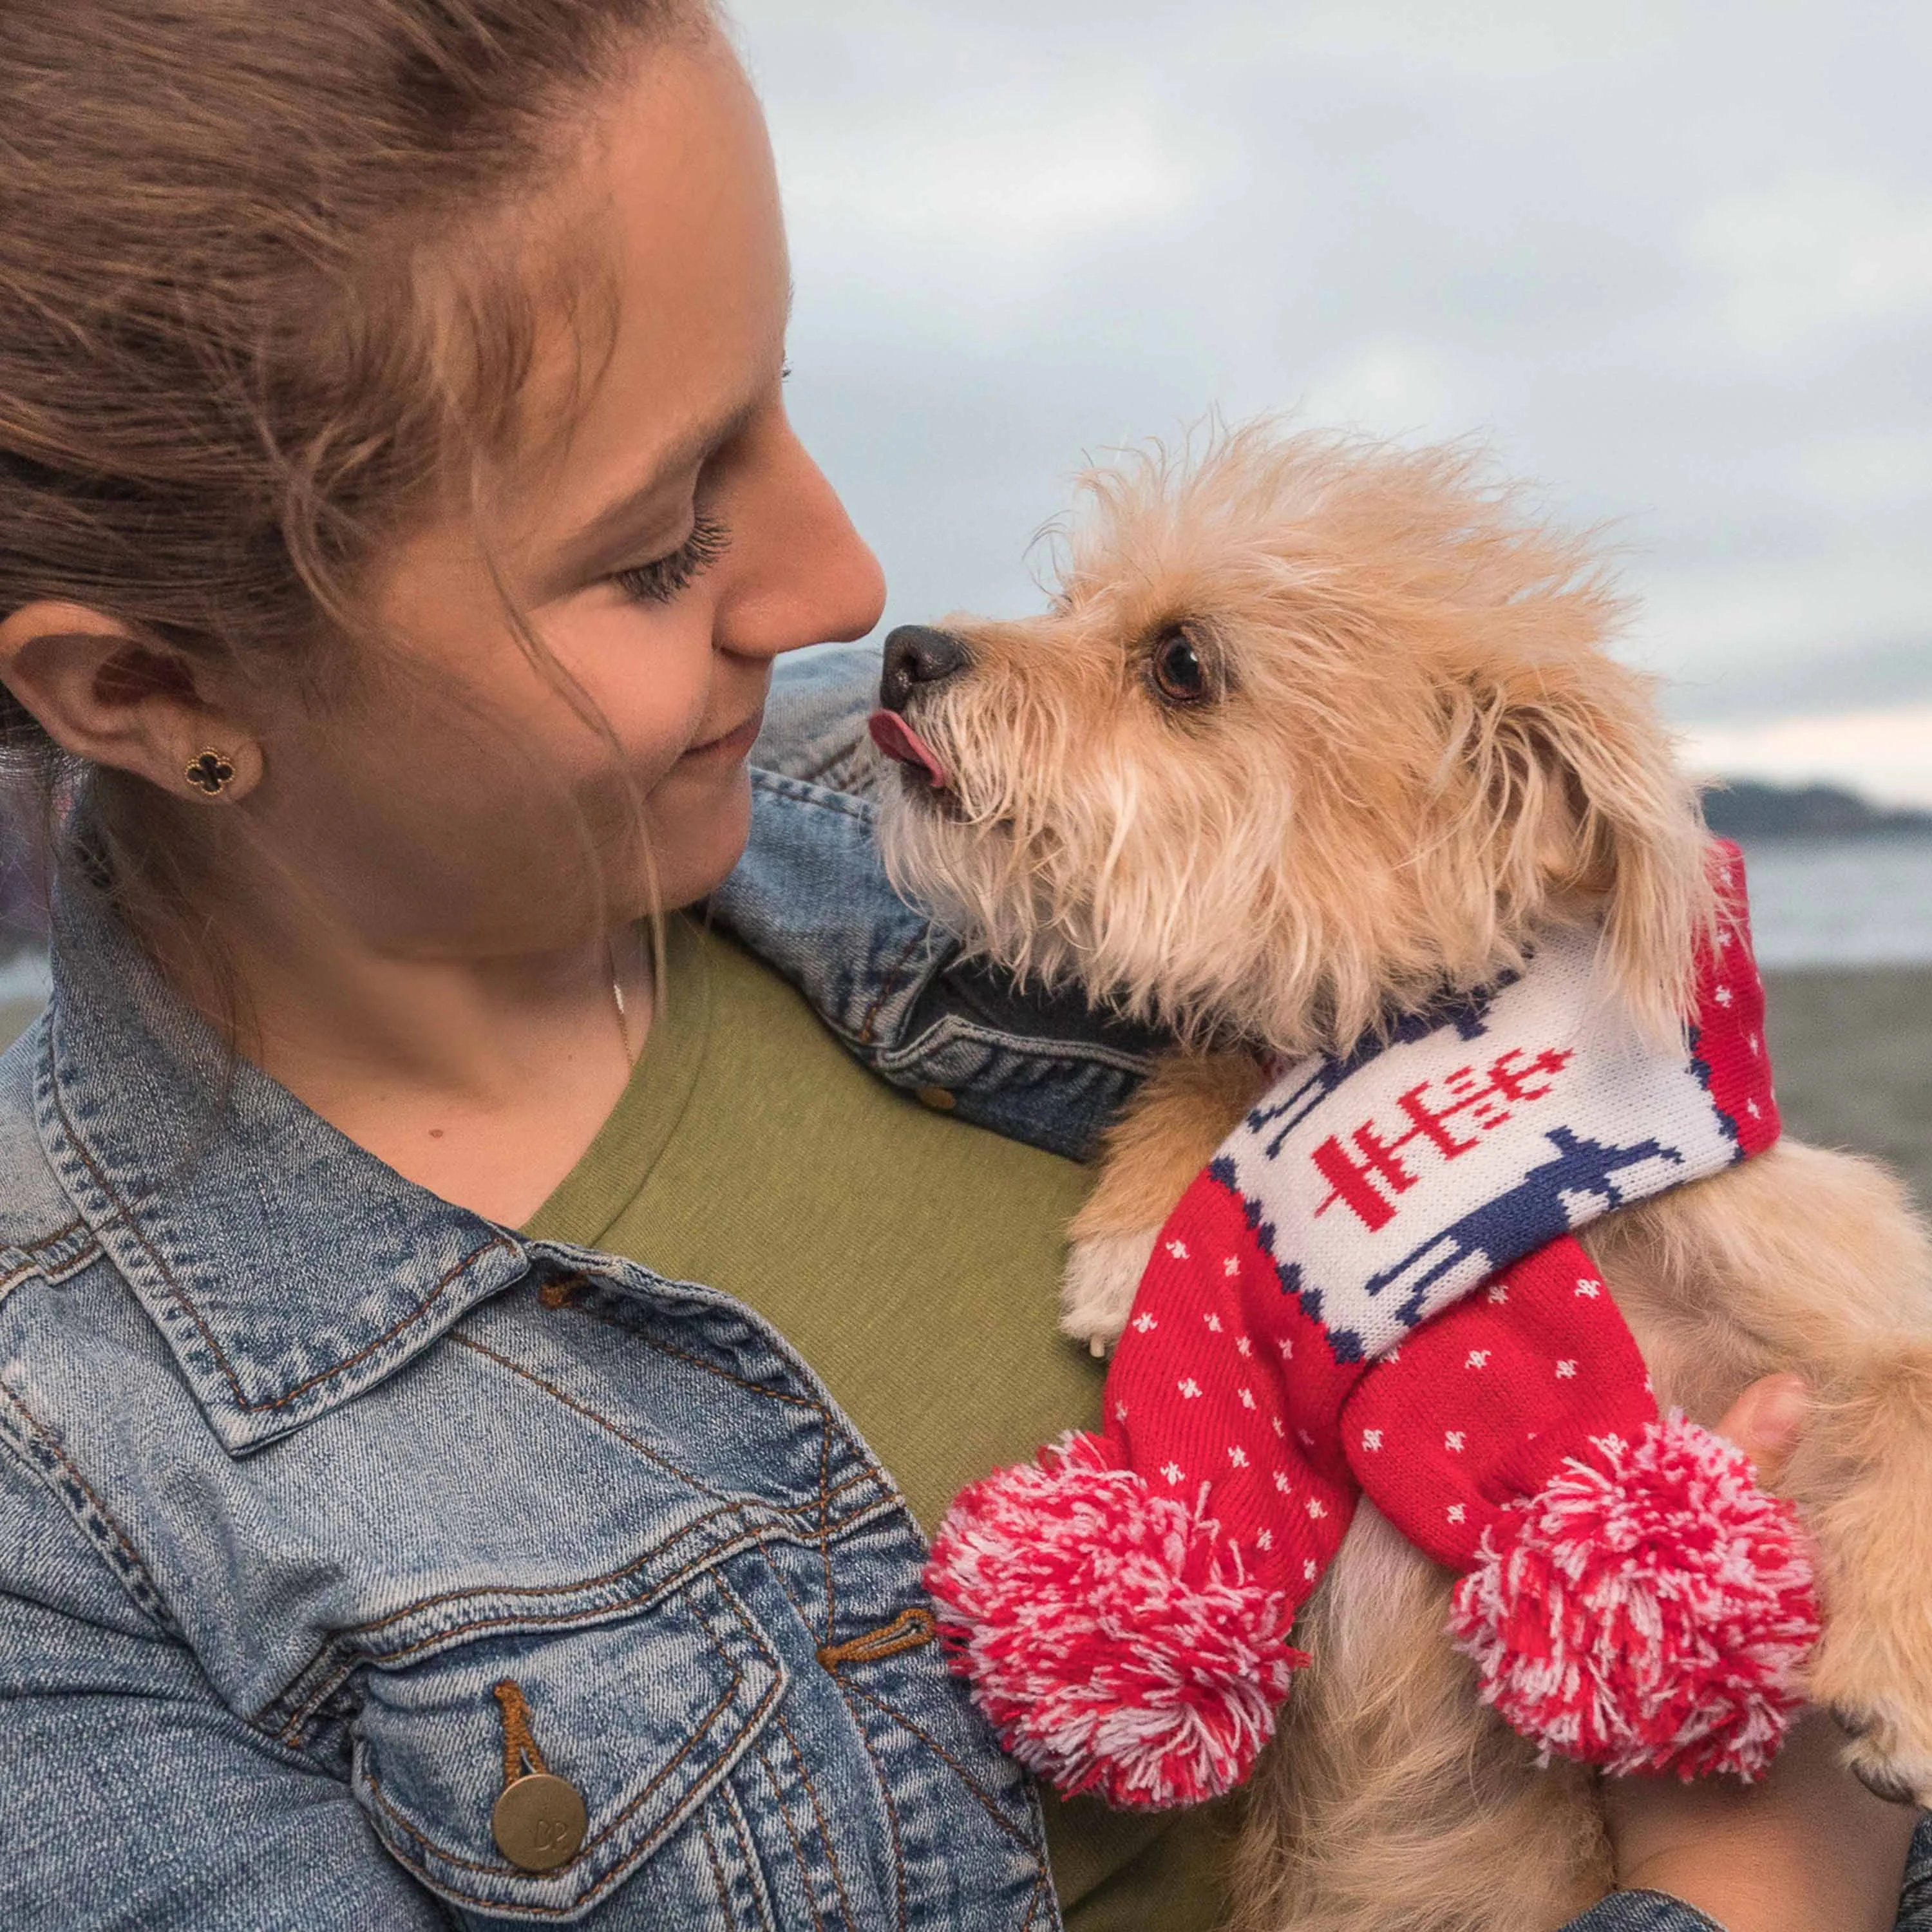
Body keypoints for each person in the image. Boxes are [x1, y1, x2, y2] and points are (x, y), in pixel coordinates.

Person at [0, 1, 1920, 1924]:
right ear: (149, 688)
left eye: (777, 398)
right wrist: (1760, 1891)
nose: (848, 585)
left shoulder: (1041, 845)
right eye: (660, 543)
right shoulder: (63, 1508)